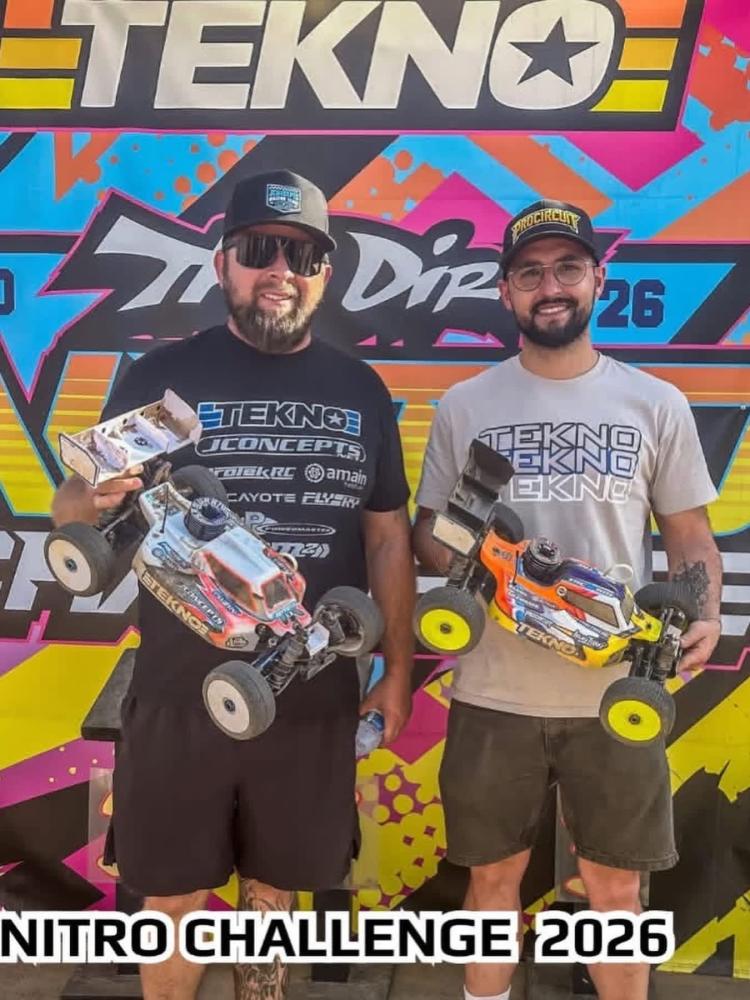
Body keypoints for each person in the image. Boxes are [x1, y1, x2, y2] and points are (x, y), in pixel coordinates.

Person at [51, 169, 415, 1000]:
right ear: (223, 265)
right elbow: (76, 498)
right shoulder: (158, 379)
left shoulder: (361, 389)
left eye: (302, 255)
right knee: (173, 900)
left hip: (311, 693)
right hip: (180, 692)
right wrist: (84, 501)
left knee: (273, 897)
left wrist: (395, 670)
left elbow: (388, 539)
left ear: (325, 275)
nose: (280, 270)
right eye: (259, 250)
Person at [413, 199, 722, 1000]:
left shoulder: (654, 402)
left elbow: (689, 534)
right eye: (530, 273)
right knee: (491, 887)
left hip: (613, 693)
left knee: (616, 894)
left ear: (598, 279)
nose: (550, 287)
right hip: (494, 690)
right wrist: (472, 548)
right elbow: (427, 538)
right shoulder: (465, 404)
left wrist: (706, 612)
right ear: (505, 290)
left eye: (567, 268)